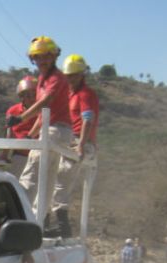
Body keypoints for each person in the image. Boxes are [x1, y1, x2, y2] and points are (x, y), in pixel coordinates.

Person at [7, 36, 72, 229]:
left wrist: (22, 117)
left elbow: (46, 103)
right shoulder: (43, 78)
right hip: (53, 129)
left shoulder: (55, 78)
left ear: (53, 56)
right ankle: (36, 225)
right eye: (37, 57)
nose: (41, 61)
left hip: (56, 130)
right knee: (47, 180)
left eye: (46, 56)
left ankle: (17, 216)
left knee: (32, 173)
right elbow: (44, 116)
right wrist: (32, 134)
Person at [51, 53, 100, 238]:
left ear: (82, 75)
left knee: (61, 181)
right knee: (53, 178)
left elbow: (88, 119)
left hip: (79, 141)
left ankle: (62, 227)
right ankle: (54, 223)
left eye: (73, 75)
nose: (70, 78)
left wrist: (81, 144)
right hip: (70, 140)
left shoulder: (86, 94)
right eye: (68, 75)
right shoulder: (71, 94)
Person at [0, 76, 38, 178]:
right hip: (19, 156)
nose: (31, 98)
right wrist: (4, 154)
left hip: (38, 155)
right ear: (21, 96)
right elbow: (9, 133)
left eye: (34, 95)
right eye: (27, 95)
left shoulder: (43, 111)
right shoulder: (13, 111)